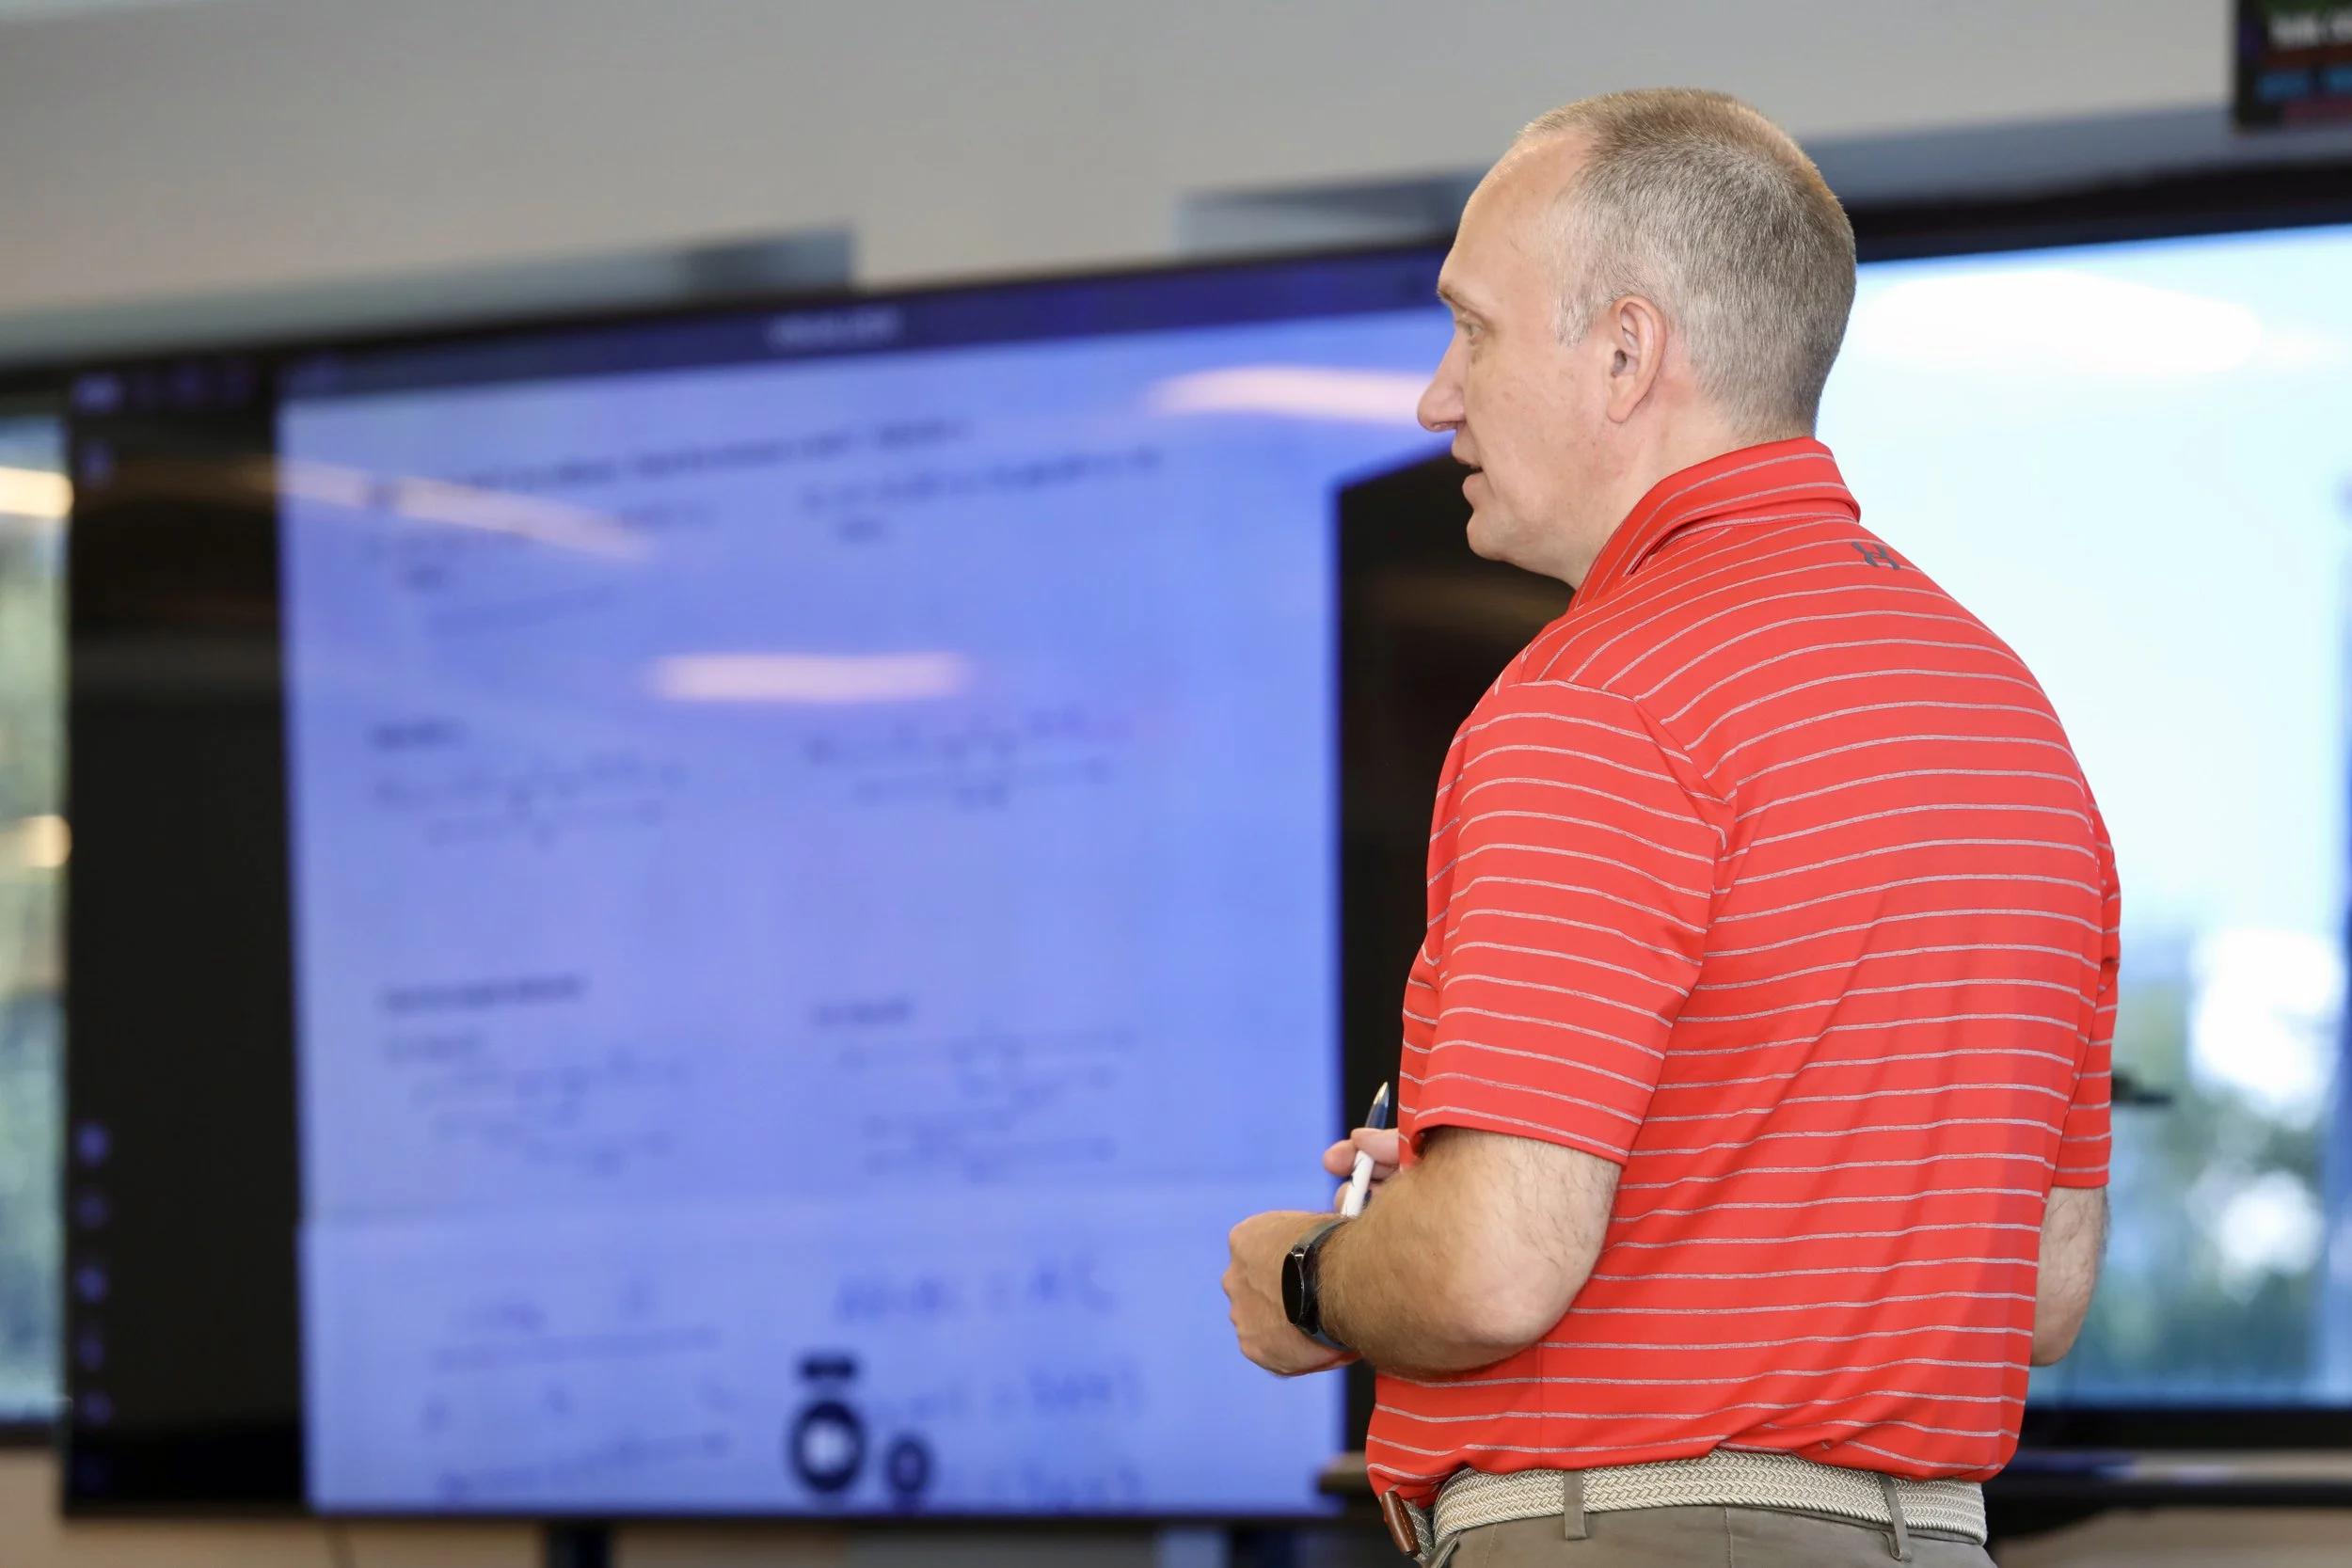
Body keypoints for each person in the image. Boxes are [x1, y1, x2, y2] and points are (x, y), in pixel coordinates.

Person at [1221, 88, 2113, 1567]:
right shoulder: (2012, 721)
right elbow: (2035, 1292)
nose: (1436, 398)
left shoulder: (1591, 702)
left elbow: (1501, 1268)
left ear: (1626, 353)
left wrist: (1320, 1274)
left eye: (1475, 331)